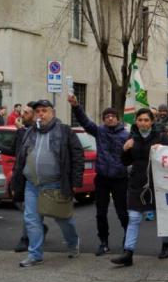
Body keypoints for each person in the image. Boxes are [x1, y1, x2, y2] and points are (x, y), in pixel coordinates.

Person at [11, 99, 84, 267]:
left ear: (52, 113)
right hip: (32, 184)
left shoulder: (64, 131)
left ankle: (73, 243)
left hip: (55, 184)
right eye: (38, 111)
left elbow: (78, 156)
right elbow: (20, 159)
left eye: (44, 111)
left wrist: (75, 181)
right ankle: (35, 255)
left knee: (63, 219)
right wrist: (16, 183)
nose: (41, 114)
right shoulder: (30, 132)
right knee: (31, 219)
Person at [111, 108, 168, 266]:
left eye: (146, 120)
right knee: (134, 217)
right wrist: (125, 149)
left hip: (157, 182)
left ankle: (166, 245)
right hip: (137, 182)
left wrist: (162, 150)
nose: (143, 123)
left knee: (162, 216)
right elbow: (125, 161)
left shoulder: (161, 137)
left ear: (152, 121)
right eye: (140, 120)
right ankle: (128, 252)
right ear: (136, 121)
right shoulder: (132, 137)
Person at [69, 94, 130, 256]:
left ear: (118, 119)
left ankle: (128, 241)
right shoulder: (99, 132)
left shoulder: (126, 136)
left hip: (120, 179)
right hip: (102, 178)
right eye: (106, 116)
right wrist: (76, 106)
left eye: (112, 116)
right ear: (103, 120)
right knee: (100, 213)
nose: (110, 118)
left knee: (122, 212)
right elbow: (85, 122)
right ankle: (103, 242)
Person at [10, 104, 50, 252]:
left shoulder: (36, 131)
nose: (22, 115)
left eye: (26, 112)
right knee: (20, 204)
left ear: (34, 115)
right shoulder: (22, 131)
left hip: (33, 176)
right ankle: (39, 227)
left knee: (29, 209)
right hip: (20, 174)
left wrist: (21, 130)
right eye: (23, 112)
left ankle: (25, 238)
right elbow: (14, 151)